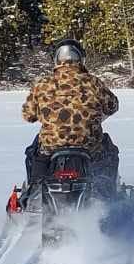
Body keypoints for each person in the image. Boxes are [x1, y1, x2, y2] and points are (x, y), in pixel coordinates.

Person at [20, 39, 120, 189]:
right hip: (89, 145)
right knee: (108, 148)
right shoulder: (93, 82)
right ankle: (107, 189)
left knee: (34, 151)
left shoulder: (42, 84)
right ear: (81, 59)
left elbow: (28, 114)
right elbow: (112, 106)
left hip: (51, 146)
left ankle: (35, 187)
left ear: (56, 59)